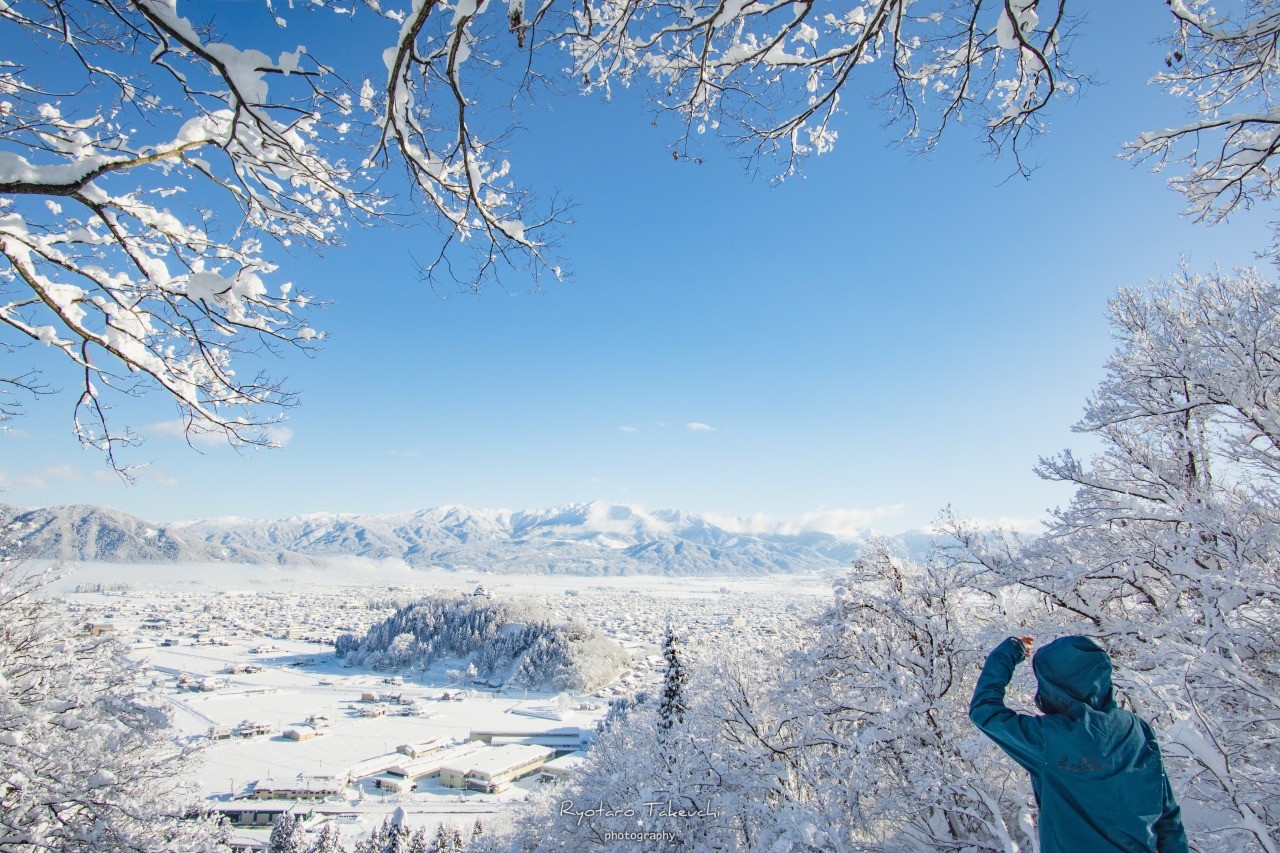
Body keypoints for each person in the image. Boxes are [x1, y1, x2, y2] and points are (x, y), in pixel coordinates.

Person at [969, 635, 1188, 853]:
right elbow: (1168, 817)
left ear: (1054, 686)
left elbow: (984, 710)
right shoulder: (1139, 730)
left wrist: (1009, 652)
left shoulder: (1049, 738)